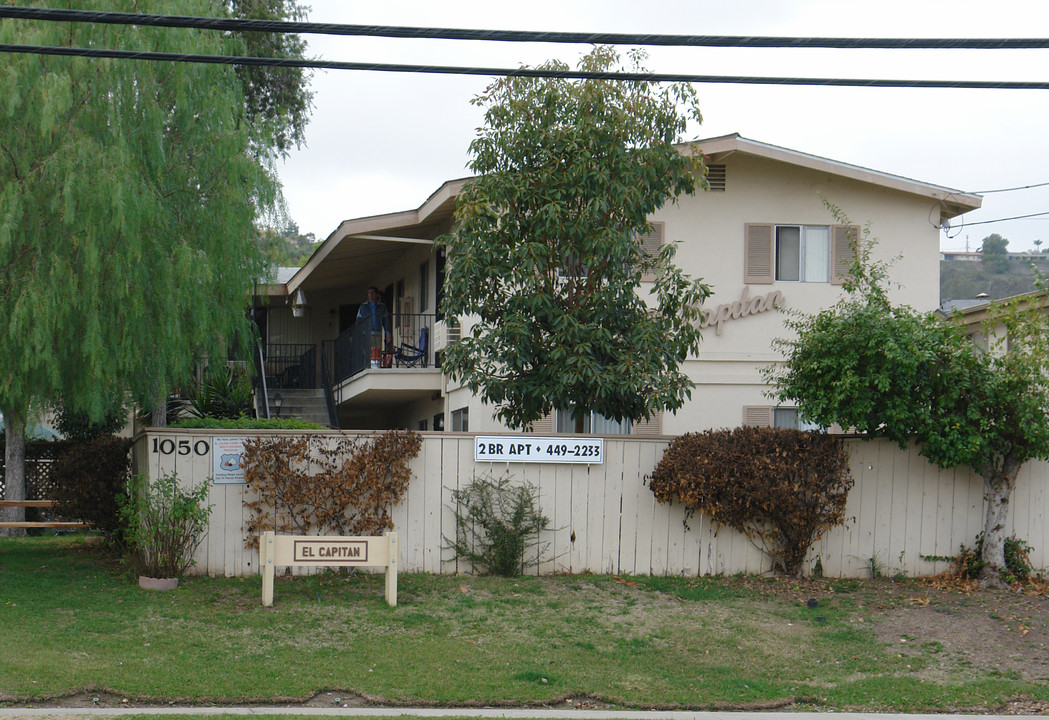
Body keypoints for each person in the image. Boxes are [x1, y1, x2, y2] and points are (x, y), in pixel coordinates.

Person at [356, 287, 391, 367]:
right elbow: (358, 320)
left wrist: (388, 333)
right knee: (367, 352)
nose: (370, 295)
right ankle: (367, 367)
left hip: (377, 332)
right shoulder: (363, 306)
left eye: (372, 293)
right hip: (366, 333)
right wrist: (358, 333)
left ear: (376, 294)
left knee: (377, 351)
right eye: (369, 293)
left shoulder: (381, 306)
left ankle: (376, 367)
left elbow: (386, 321)